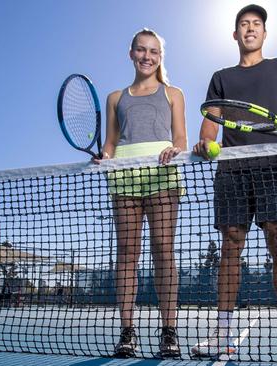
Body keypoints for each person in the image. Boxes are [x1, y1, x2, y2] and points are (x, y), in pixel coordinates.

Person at [191, 4, 277, 361]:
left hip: (273, 165)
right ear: (235, 34)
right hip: (232, 169)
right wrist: (205, 142)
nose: (250, 29)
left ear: (264, 32)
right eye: (243, 24)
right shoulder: (221, 76)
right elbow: (210, 123)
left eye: (256, 24)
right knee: (230, 247)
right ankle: (221, 335)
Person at [96, 28, 187, 358]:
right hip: (124, 177)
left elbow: (180, 139)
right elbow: (110, 142)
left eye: (153, 51)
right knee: (127, 253)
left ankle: (169, 331)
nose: (147, 56)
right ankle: (127, 332)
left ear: (160, 57)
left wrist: (175, 151)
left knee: (163, 249)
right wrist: (104, 157)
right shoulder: (115, 98)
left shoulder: (173, 93)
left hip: (163, 175)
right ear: (131, 54)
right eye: (141, 50)